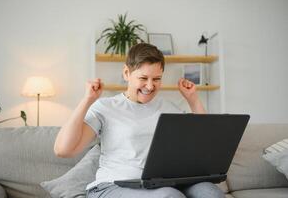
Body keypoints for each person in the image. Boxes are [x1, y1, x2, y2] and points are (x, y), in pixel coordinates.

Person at [54, 43, 225, 198]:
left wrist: (193, 99)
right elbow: (63, 150)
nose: (150, 86)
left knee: (210, 193)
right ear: (127, 73)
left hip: (162, 183)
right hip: (112, 186)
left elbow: (203, 142)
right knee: (169, 197)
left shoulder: (168, 107)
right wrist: (87, 100)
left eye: (157, 79)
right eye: (143, 78)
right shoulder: (106, 107)